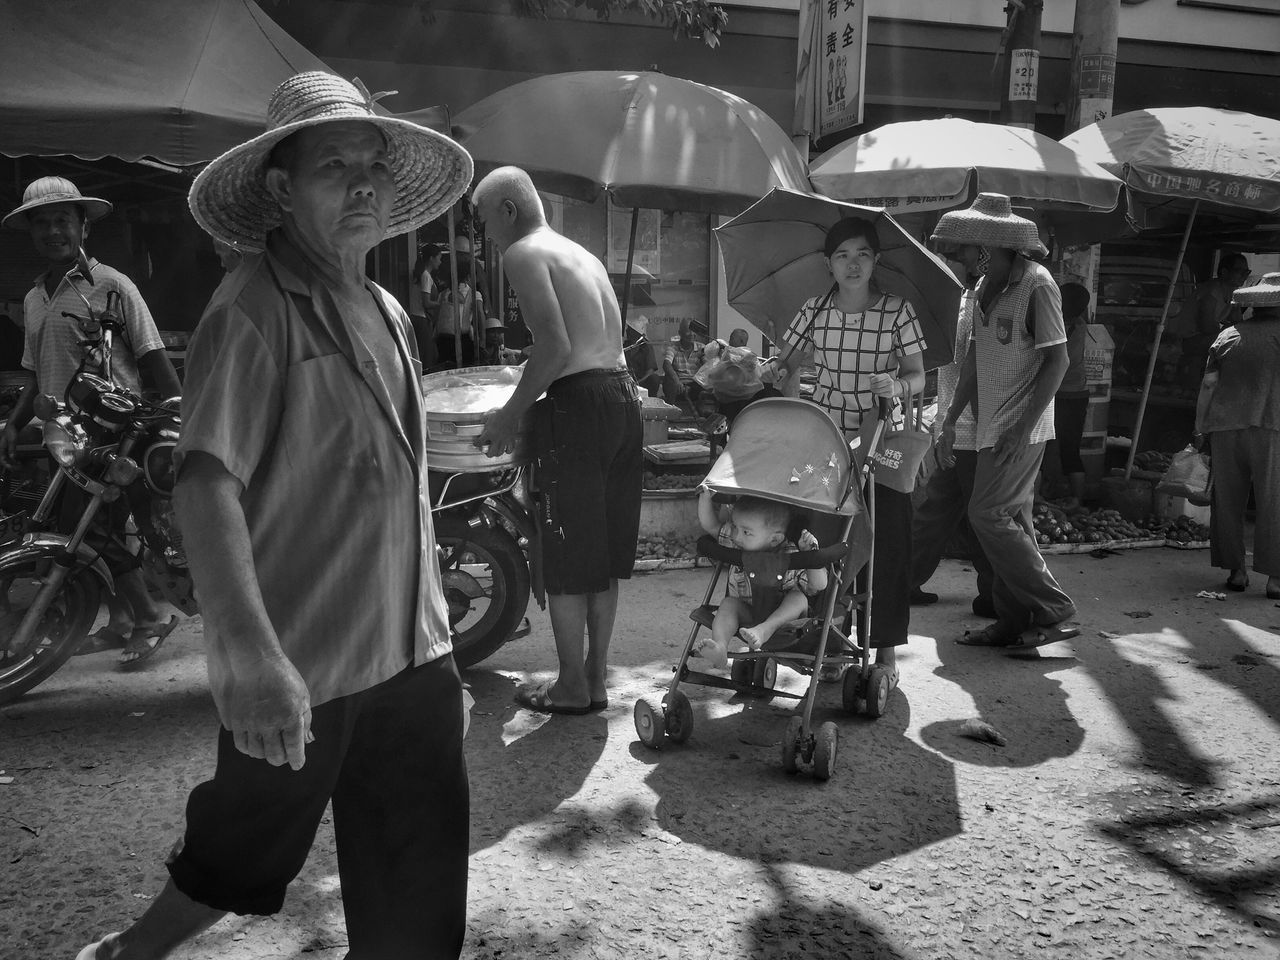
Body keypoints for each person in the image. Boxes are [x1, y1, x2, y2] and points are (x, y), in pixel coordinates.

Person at [73, 72, 474, 960]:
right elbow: (203, 484)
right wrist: (249, 657)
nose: (363, 182)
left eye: (373, 164)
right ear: (282, 190)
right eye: (335, 165)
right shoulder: (253, 310)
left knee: (419, 894)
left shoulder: (390, 312)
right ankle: (132, 953)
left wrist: (440, 650)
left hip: (411, 661)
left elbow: (405, 497)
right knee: (240, 849)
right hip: (304, 661)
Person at [472, 165, 642, 716]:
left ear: (508, 209)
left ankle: (571, 686)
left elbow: (556, 349)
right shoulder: (580, 253)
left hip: (579, 412)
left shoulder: (520, 253)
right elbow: (587, 345)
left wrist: (506, 416)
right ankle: (593, 678)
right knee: (604, 557)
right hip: (621, 399)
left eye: (483, 221)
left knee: (569, 554)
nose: (484, 234)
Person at [0, 175, 182, 663]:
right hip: (65, 435)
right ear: (31, 233)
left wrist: (182, 419)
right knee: (79, 529)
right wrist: (14, 423)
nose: (53, 231)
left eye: (63, 220)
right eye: (42, 223)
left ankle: (148, 616)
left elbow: (152, 356)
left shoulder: (113, 285)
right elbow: (34, 372)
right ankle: (121, 619)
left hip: (116, 433)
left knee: (93, 532)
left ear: (84, 227)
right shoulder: (36, 295)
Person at [778, 217, 927, 689]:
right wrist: (777, 370)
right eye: (842, 255)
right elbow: (787, 364)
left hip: (881, 440)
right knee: (820, 542)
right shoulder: (814, 309)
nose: (853, 263)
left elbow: (919, 375)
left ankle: (884, 649)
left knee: (885, 541)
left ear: (876, 259)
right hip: (825, 441)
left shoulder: (898, 311)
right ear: (829, 264)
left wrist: (898, 383)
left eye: (862, 253)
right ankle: (829, 639)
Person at [934, 194, 1078, 650]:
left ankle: (1055, 608)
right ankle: (1011, 620)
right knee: (1014, 518)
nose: (959, 255)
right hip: (989, 423)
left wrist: (1020, 428)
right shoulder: (981, 290)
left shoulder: (1038, 285)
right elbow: (975, 360)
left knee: (987, 513)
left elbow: (1058, 361)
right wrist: (953, 418)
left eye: (965, 247)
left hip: (1023, 427)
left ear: (990, 246)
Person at [908, 246, 995, 617]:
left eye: (948, 261)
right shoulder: (969, 305)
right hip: (964, 428)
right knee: (976, 514)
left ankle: (906, 580)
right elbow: (967, 367)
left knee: (941, 508)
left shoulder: (966, 304)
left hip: (959, 426)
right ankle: (992, 595)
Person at [1196, 271, 1280, 600]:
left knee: (1228, 501)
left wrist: (1199, 426)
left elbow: (1208, 384)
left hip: (1225, 428)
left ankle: (1237, 572)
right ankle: (1275, 580)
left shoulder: (1227, 335)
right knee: (1274, 502)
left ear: (1251, 306)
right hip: (1272, 428)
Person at [691, 486, 826, 668]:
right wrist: (705, 497)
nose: (736, 535)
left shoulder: (791, 553)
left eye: (746, 532)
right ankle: (721, 647)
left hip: (787, 620)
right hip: (748, 613)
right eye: (735, 527)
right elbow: (711, 526)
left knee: (797, 598)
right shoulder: (737, 545)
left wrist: (811, 556)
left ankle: (765, 629)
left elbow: (819, 585)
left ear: (775, 539)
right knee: (729, 604)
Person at [1045, 281, 1093, 507]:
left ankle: (1071, 498)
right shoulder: (1080, 325)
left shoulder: (1061, 328)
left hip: (1060, 393)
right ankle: (1074, 498)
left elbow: (1058, 361)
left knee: (1048, 446)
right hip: (1077, 394)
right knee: (1068, 448)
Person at [1180, 253, 1251, 381]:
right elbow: (1207, 328)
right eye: (1239, 271)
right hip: (1187, 340)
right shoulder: (1211, 293)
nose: (1244, 276)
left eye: (1246, 272)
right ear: (1224, 272)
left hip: (1205, 338)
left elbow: (1238, 323)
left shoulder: (1233, 292)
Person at [434, 253, 483, 368]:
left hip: (442, 338)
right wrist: (482, 340)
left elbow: (436, 316)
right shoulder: (473, 294)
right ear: (468, 277)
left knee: (445, 369)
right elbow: (480, 315)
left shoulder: (443, 294)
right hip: (461, 339)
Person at [410, 241, 444, 360]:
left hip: (417, 317)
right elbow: (426, 302)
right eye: (439, 258)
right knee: (427, 356)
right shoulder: (425, 276)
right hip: (422, 319)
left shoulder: (421, 274)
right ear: (431, 258)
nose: (440, 262)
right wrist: (441, 304)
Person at [662, 318, 703, 410]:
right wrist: (677, 381)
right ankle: (671, 411)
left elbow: (708, 366)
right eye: (688, 331)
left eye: (694, 331)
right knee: (669, 381)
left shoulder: (702, 348)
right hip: (677, 383)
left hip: (695, 384)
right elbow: (666, 364)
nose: (692, 334)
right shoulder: (673, 348)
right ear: (680, 333)